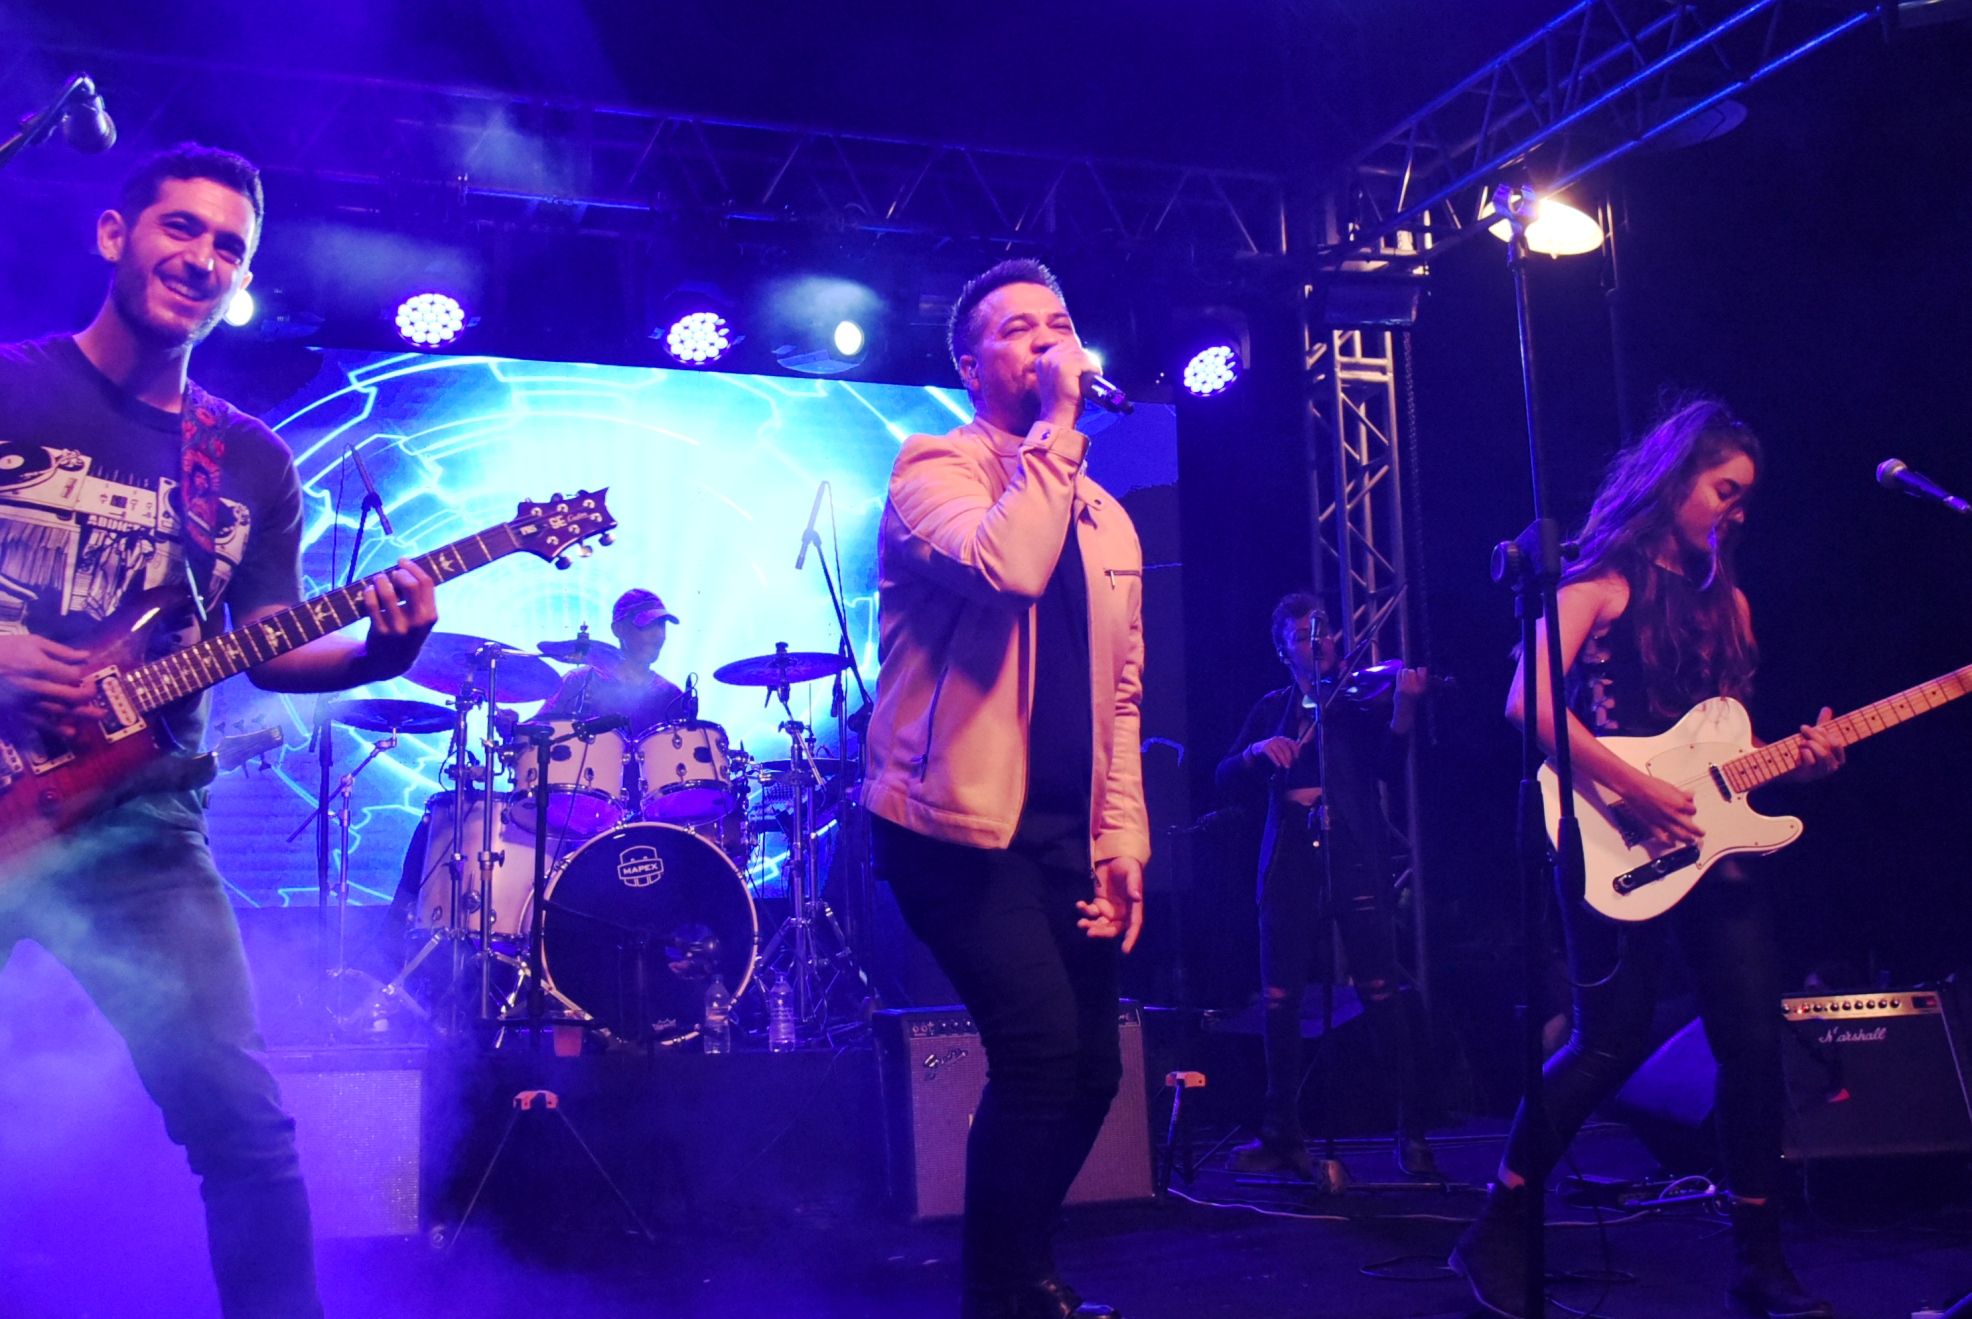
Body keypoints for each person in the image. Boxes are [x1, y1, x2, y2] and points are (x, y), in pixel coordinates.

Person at [0, 143, 438, 1319]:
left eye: (229, 247)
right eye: (181, 228)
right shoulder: (10, 385)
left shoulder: (245, 459)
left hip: (140, 826)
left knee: (244, 1129)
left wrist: (380, 652)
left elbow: (267, 644)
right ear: (115, 234)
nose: (202, 258)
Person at [1451, 399, 1846, 1319]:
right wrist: (1631, 789)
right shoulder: (1602, 581)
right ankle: (1498, 1224)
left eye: (1745, 498)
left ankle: (1758, 1257)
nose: (1735, 510)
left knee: (1751, 1046)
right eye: (1724, 489)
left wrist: (1803, 763)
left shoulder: (1729, 605)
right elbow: (1528, 703)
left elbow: (1727, 748)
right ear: (1675, 480)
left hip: (1715, 846)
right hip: (1606, 829)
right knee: (1607, 1042)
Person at [864, 259, 1148, 1319]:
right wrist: (1059, 428)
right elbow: (1008, 569)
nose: (1048, 341)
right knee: (1038, 1053)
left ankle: (1021, 1276)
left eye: (1059, 323)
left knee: (1093, 1072)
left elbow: (1122, 697)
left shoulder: (1105, 516)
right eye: (1020, 328)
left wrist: (1123, 841)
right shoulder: (934, 469)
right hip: (952, 829)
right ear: (971, 364)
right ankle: (1005, 1295)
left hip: (1066, 830)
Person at [1214, 594, 1435, 1180]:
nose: (1321, 643)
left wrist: (1404, 711)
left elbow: (1388, 766)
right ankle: (1281, 1132)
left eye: (1325, 631)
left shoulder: (1355, 705)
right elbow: (1223, 775)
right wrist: (1256, 753)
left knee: (1380, 989)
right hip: (1289, 854)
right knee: (1279, 998)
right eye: (1304, 636)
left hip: (1353, 851)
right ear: (1283, 650)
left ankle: (1411, 1131)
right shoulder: (1273, 708)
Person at [538, 587, 686, 730]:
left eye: (661, 626)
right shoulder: (579, 681)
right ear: (618, 630)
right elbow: (537, 733)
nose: (659, 635)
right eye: (648, 626)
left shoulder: (672, 696)